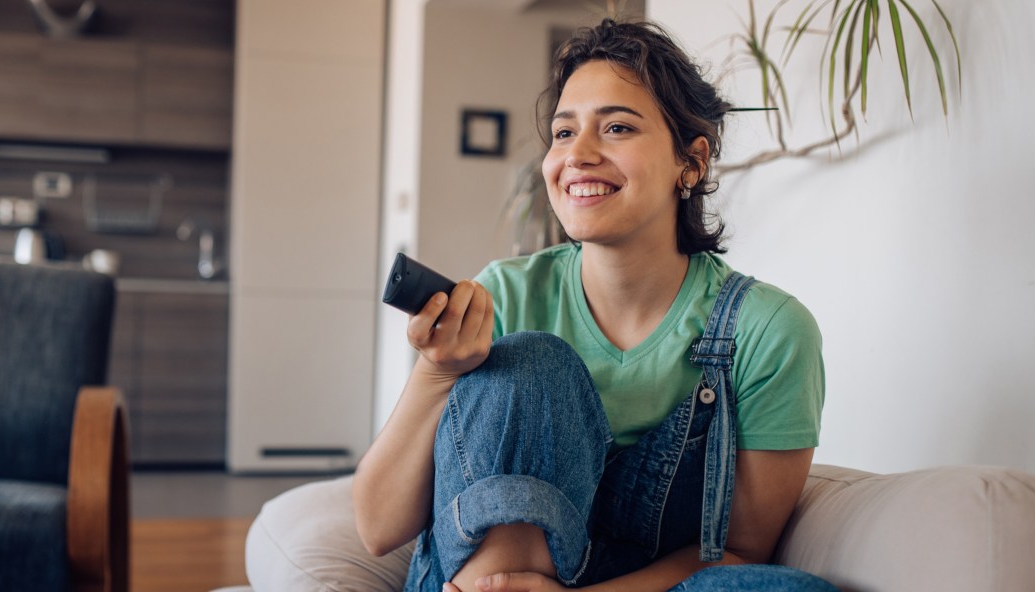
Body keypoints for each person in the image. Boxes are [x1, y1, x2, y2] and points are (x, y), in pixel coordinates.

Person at [353, 18, 835, 592]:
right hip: (483, 579)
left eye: (617, 128)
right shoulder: (504, 295)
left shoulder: (768, 331)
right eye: (562, 133)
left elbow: (738, 550)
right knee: (533, 362)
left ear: (693, 161)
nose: (576, 155)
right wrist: (438, 372)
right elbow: (379, 529)